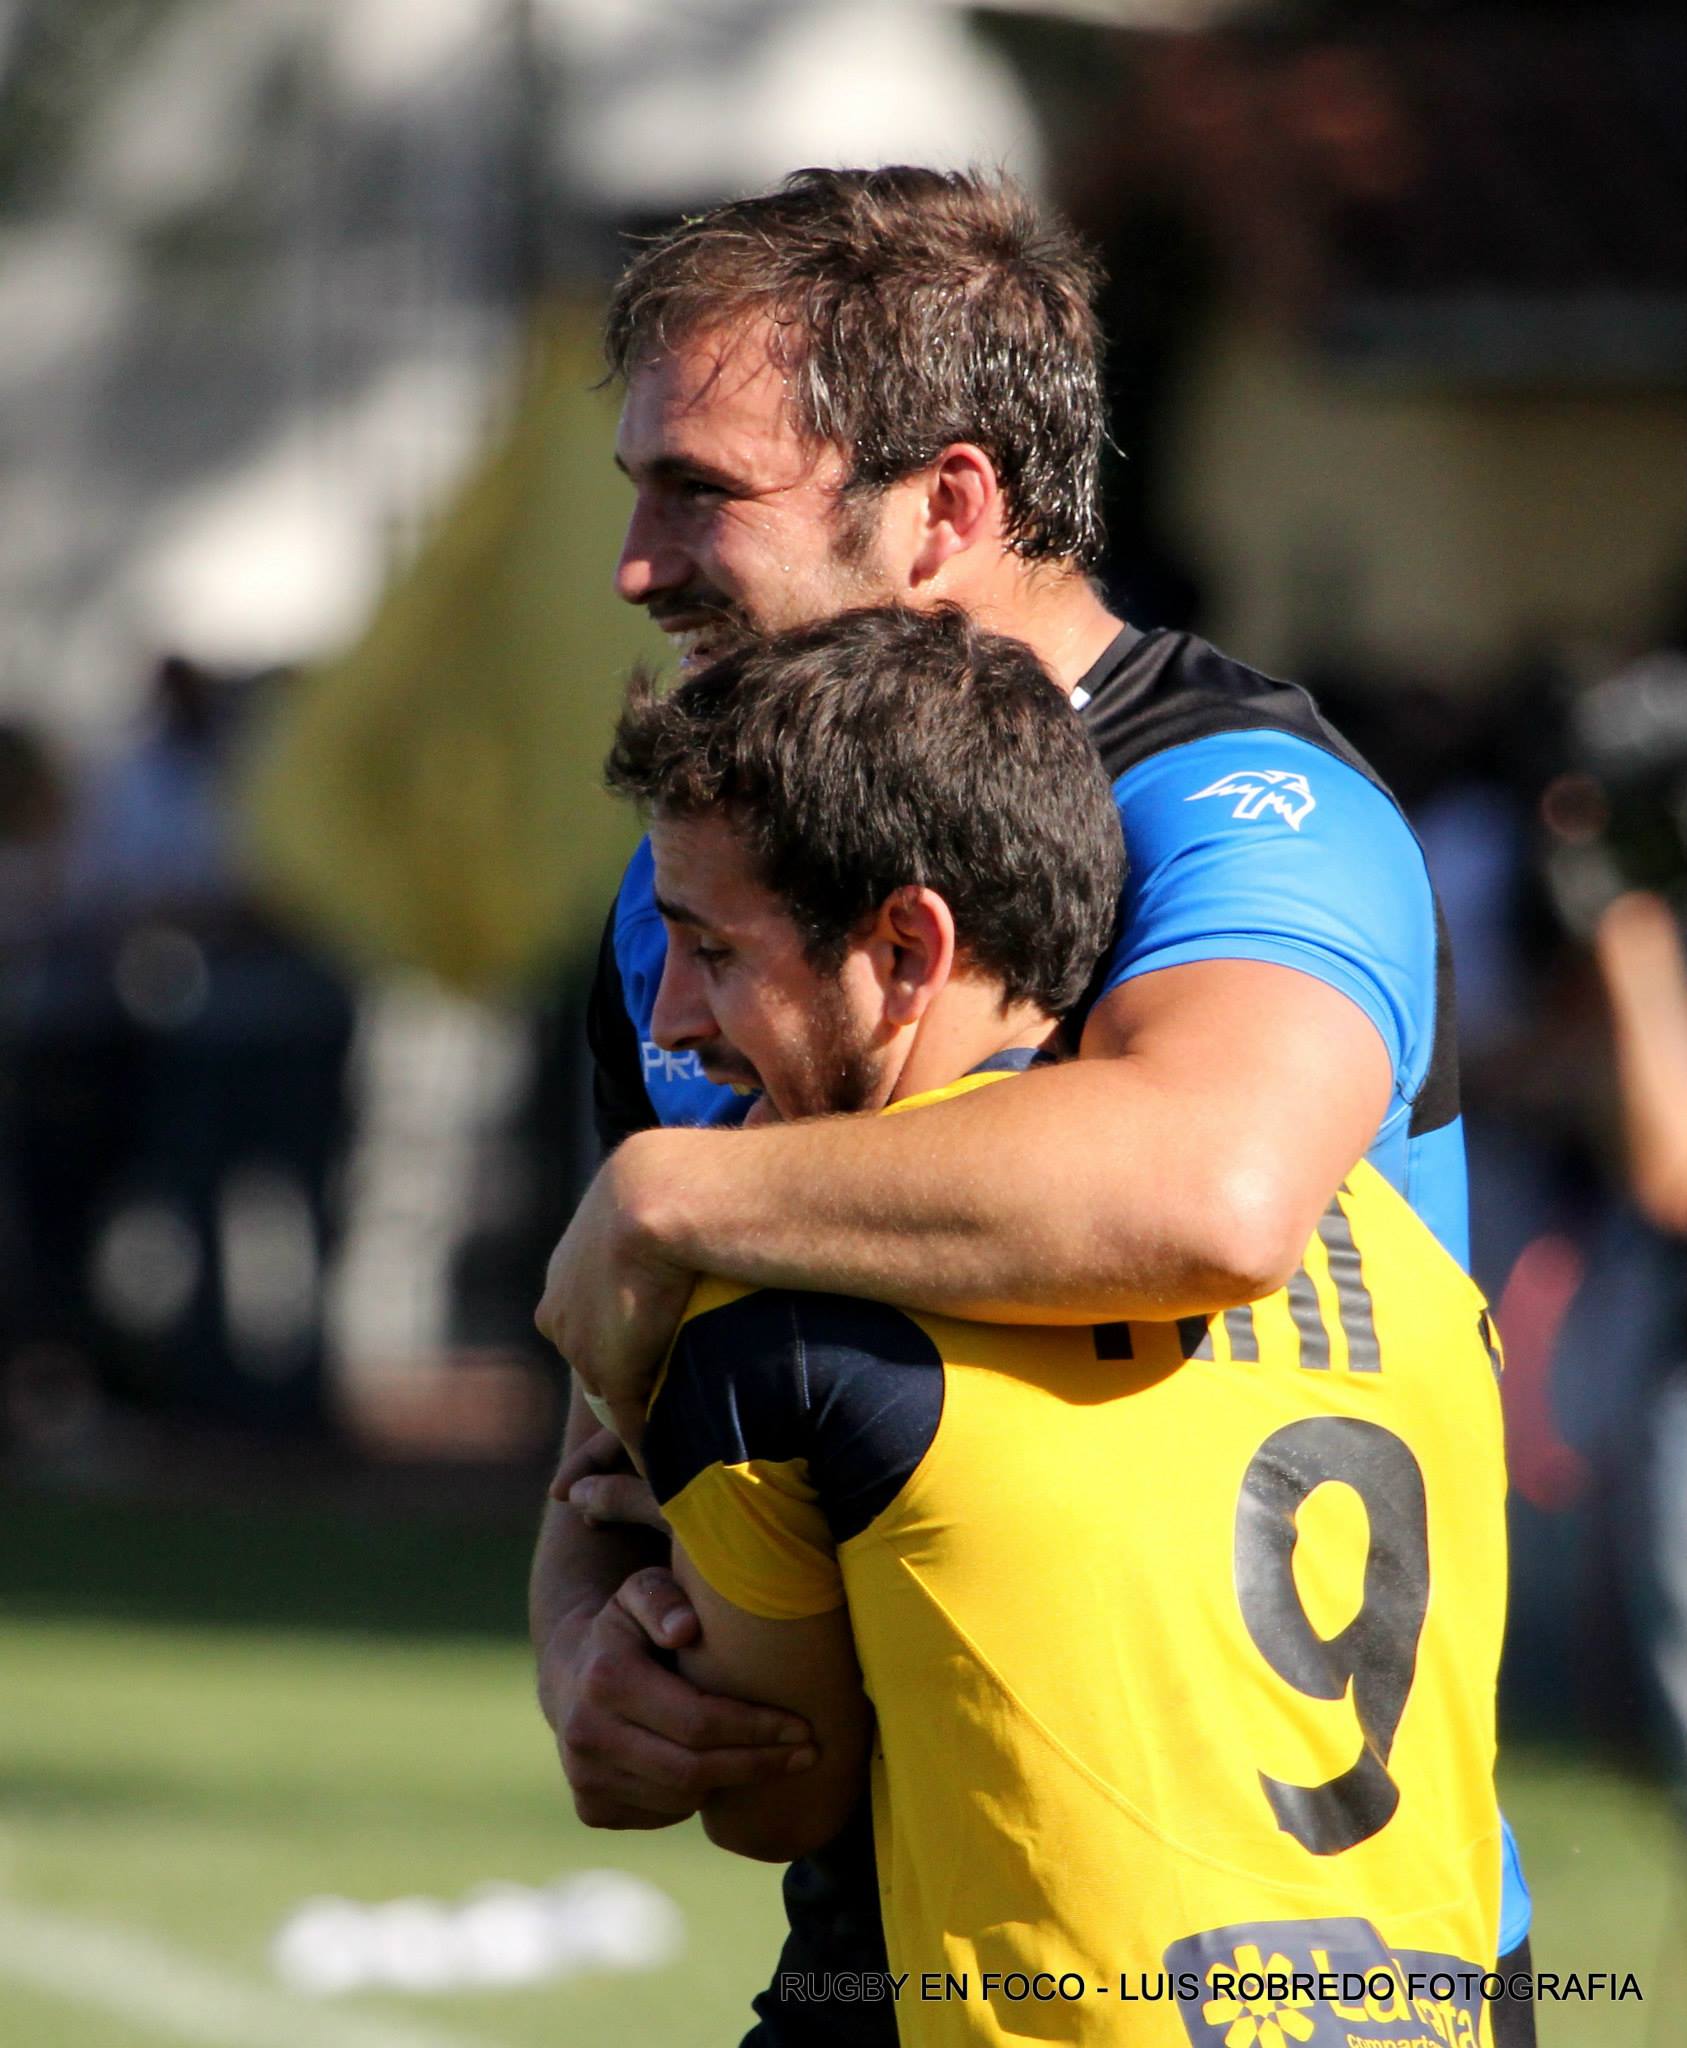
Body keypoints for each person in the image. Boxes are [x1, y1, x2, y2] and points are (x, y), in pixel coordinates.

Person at [528, 166, 1534, 2040]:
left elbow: (1216, 1185)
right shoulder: (709, 879)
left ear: (951, 509)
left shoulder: (1245, 803)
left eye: (703, 490)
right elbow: (639, 1361)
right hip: (897, 1933)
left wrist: (669, 1195)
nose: (639, 564)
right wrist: (583, 1621)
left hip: (1311, 1973)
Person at [606, 602, 1508, 2047]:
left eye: (711, 950)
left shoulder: (775, 1322)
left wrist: (650, 1598)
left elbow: (770, 1795)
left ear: (910, 947)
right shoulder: (1413, 1262)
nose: (677, 1014)